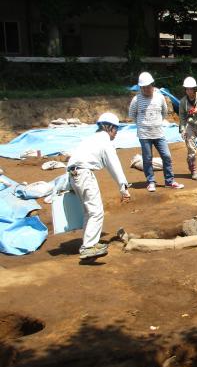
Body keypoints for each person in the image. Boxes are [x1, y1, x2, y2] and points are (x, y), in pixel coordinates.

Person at [67, 113, 131, 260]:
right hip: (84, 174)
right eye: (116, 129)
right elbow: (114, 165)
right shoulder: (105, 141)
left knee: (88, 211)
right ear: (110, 128)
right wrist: (124, 188)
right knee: (96, 212)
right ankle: (89, 247)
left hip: (73, 175)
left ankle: (88, 243)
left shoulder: (91, 139)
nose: (116, 133)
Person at [128, 71, 184, 192]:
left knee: (167, 156)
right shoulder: (136, 99)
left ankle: (169, 181)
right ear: (141, 87)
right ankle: (151, 181)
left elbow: (164, 112)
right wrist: (142, 125)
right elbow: (132, 115)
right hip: (144, 135)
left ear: (152, 84)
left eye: (148, 86)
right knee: (147, 159)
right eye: (143, 87)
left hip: (159, 133)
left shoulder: (160, 97)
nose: (146, 89)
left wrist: (156, 122)